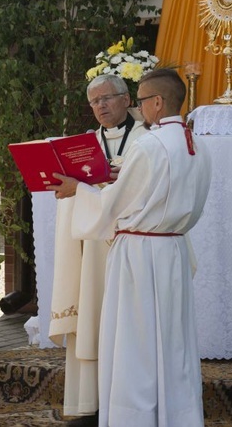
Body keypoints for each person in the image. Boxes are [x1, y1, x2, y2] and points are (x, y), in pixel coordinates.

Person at [49, 69, 211, 427]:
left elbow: (115, 205)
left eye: (140, 101)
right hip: (172, 250)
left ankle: (135, 417)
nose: (140, 108)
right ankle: (176, 415)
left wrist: (80, 191)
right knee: (172, 342)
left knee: (134, 345)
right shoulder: (197, 144)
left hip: (139, 253)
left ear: (156, 102)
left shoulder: (149, 145)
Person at [49, 74, 148, 426]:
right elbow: (72, 191)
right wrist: (68, 188)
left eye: (107, 98)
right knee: (92, 315)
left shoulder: (146, 141)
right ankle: (88, 403)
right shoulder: (84, 144)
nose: (101, 106)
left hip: (129, 243)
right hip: (92, 249)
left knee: (126, 323)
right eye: (94, 101)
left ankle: (126, 406)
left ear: (126, 100)